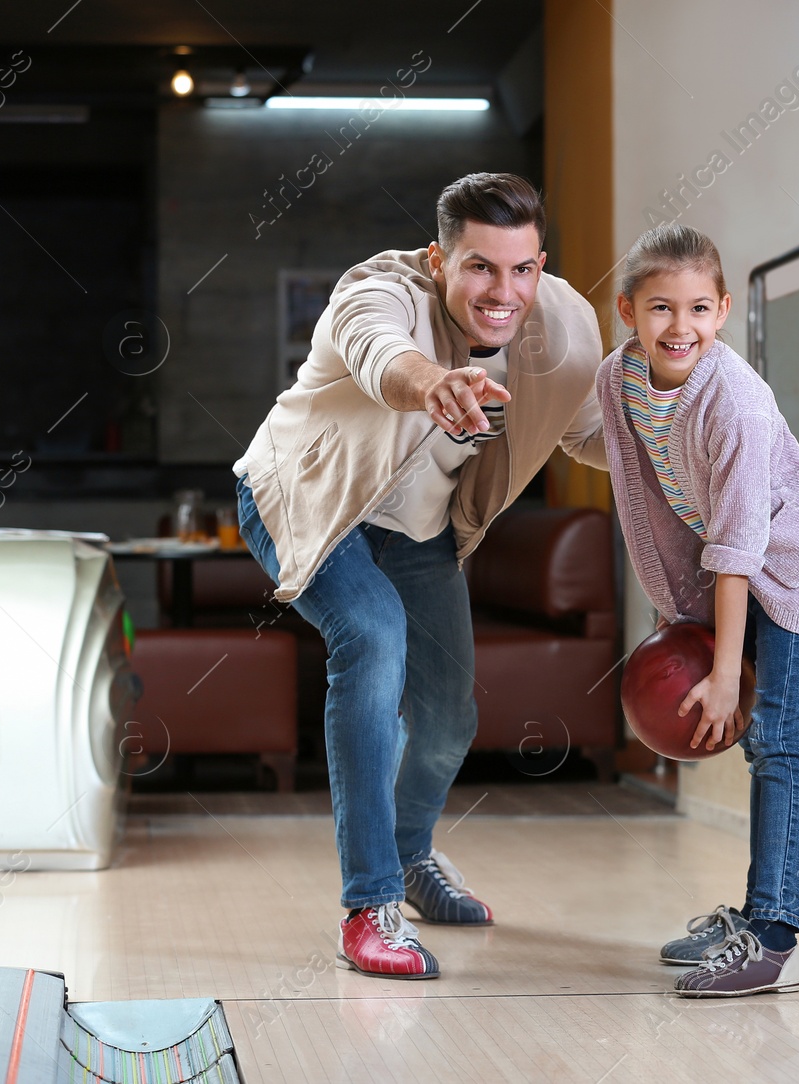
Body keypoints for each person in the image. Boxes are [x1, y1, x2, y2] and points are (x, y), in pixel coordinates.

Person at [233, 173, 608, 980]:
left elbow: (592, 433)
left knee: (447, 715)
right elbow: (381, 354)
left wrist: (693, 445)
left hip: (418, 529)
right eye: (479, 268)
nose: (501, 292)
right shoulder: (376, 291)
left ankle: (410, 856)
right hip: (306, 500)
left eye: (521, 270)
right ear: (439, 260)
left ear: (541, 265)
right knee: (371, 636)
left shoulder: (566, 327)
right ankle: (371, 906)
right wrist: (433, 384)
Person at [596, 224, 799, 998]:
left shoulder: (736, 401)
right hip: (726, 575)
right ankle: (752, 913)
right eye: (661, 309)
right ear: (627, 312)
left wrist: (718, 670)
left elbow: (740, 548)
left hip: (795, 570)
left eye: (699, 309)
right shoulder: (619, 379)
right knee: (765, 744)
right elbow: (641, 496)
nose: (681, 328)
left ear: (724, 309)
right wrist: (674, 613)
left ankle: (774, 939)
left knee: (778, 740)